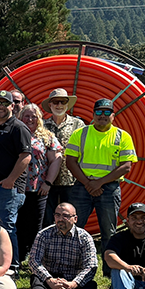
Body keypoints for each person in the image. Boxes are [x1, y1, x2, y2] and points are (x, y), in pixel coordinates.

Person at [65, 98, 137, 256]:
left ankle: (110, 268)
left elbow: (126, 166)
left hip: (109, 188)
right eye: (98, 112)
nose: (102, 115)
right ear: (93, 114)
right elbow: (70, 161)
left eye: (107, 112)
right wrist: (88, 183)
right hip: (82, 186)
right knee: (73, 228)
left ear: (113, 116)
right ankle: (72, 263)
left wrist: (99, 183)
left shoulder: (123, 136)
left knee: (108, 232)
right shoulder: (80, 134)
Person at [0, 90, 31, 267]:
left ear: (12, 106)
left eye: (5, 103)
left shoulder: (18, 128)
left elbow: (25, 156)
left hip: (7, 189)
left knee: (6, 229)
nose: (1, 106)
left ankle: (11, 267)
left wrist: (11, 179)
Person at [23, 202, 98, 289]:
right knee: (35, 278)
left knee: (91, 285)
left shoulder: (85, 237)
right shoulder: (44, 234)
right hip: (50, 277)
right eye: (57, 215)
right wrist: (49, 280)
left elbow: (91, 266)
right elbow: (34, 260)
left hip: (73, 279)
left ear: (75, 219)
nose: (60, 219)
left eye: (65, 216)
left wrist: (74, 284)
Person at [17, 103, 62, 257]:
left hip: (38, 188)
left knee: (36, 223)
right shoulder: (15, 133)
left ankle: (35, 256)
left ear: (39, 118)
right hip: (17, 186)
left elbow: (56, 160)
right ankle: (19, 254)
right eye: (26, 116)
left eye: (33, 116)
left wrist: (48, 182)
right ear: (21, 117)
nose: (30, 119)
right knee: (19, 222)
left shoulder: (47, 137)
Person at [41, 88, 85, 225]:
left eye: (63, 102)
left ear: (67, 105)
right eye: (55, 102)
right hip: (47, 181)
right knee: (47, 218)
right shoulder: (42, 125)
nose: (59, 105)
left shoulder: (78, 125)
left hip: (72, 180)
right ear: (50, 105)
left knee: (70, 217)